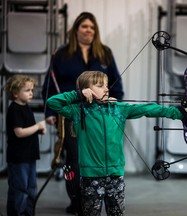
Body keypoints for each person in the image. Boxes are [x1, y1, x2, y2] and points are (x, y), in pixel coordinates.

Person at [46, 71, 187, 216]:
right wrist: (77, 95)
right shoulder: (78, 112)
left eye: (106, 85)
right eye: (100, 86)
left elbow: (147, 109)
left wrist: (179, 113)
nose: (106, 89)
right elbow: (52, 102)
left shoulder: (118, 109)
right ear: (86, 90)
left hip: (116, 175)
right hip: (91, 177)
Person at [41, 11, 124, 214]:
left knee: (97, 157)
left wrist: (117, 108)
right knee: (74, 160)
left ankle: (101, 196)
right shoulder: (61, 54)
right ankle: (76, 199)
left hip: (101, 115)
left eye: (92, 27)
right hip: (73, 115)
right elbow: (49, 86)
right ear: (76, 29)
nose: (89, 31)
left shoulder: (105, 53)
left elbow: (116, 85)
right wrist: (50, 112)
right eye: (85, 26)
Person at [4, 75, 47, 216]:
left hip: (30, 156)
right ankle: (18, 213)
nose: (31, 93)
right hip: (18, 158)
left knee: (31, 189)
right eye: (27, 90)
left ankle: (28, 213)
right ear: (15, 93)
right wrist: (38, 126)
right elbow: (19, 132)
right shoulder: (14, 109)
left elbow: (29, 128)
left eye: (32, 90)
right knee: (20, 189)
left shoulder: (26, 108)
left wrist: (40, 130)